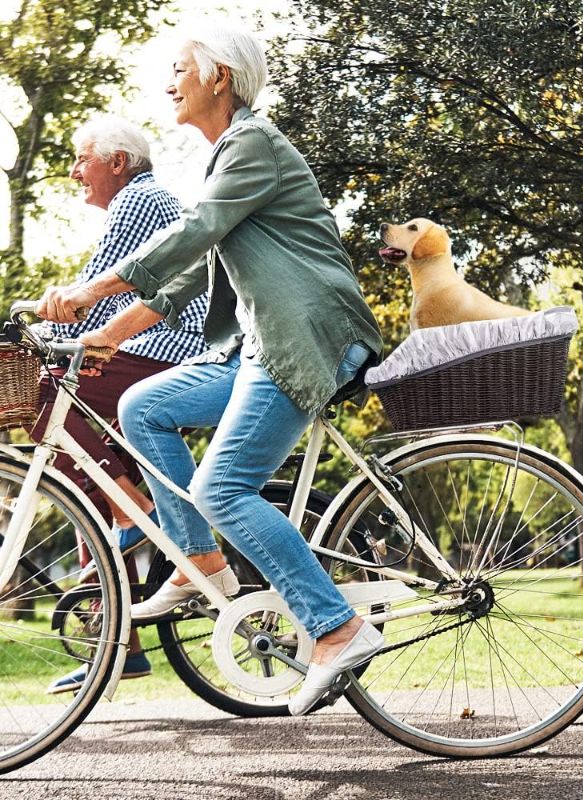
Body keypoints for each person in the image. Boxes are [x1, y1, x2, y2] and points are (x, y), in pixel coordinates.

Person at [36, 22, 385, 716]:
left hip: (305, 340)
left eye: (179, 70)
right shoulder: (228, 155)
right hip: (260, 347)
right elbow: (189, 278)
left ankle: (337, 629)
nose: (168, 83)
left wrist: (87, 292)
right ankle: (201, 563)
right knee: (143, 406)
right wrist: (104, 334)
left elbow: (192, 235)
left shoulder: (252, 143)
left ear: (219, 77)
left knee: (224, 489)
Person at [35, 116, 208, 693]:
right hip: (145, 346)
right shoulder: (141, 199)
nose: (74, 171)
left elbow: (87, 291)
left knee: (45, 401)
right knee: (89, 480)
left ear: (117, 162)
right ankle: (118, 642)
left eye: (81, 158)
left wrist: (30, 309)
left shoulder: (139, 197)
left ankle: (141, 513)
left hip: (160, 347)